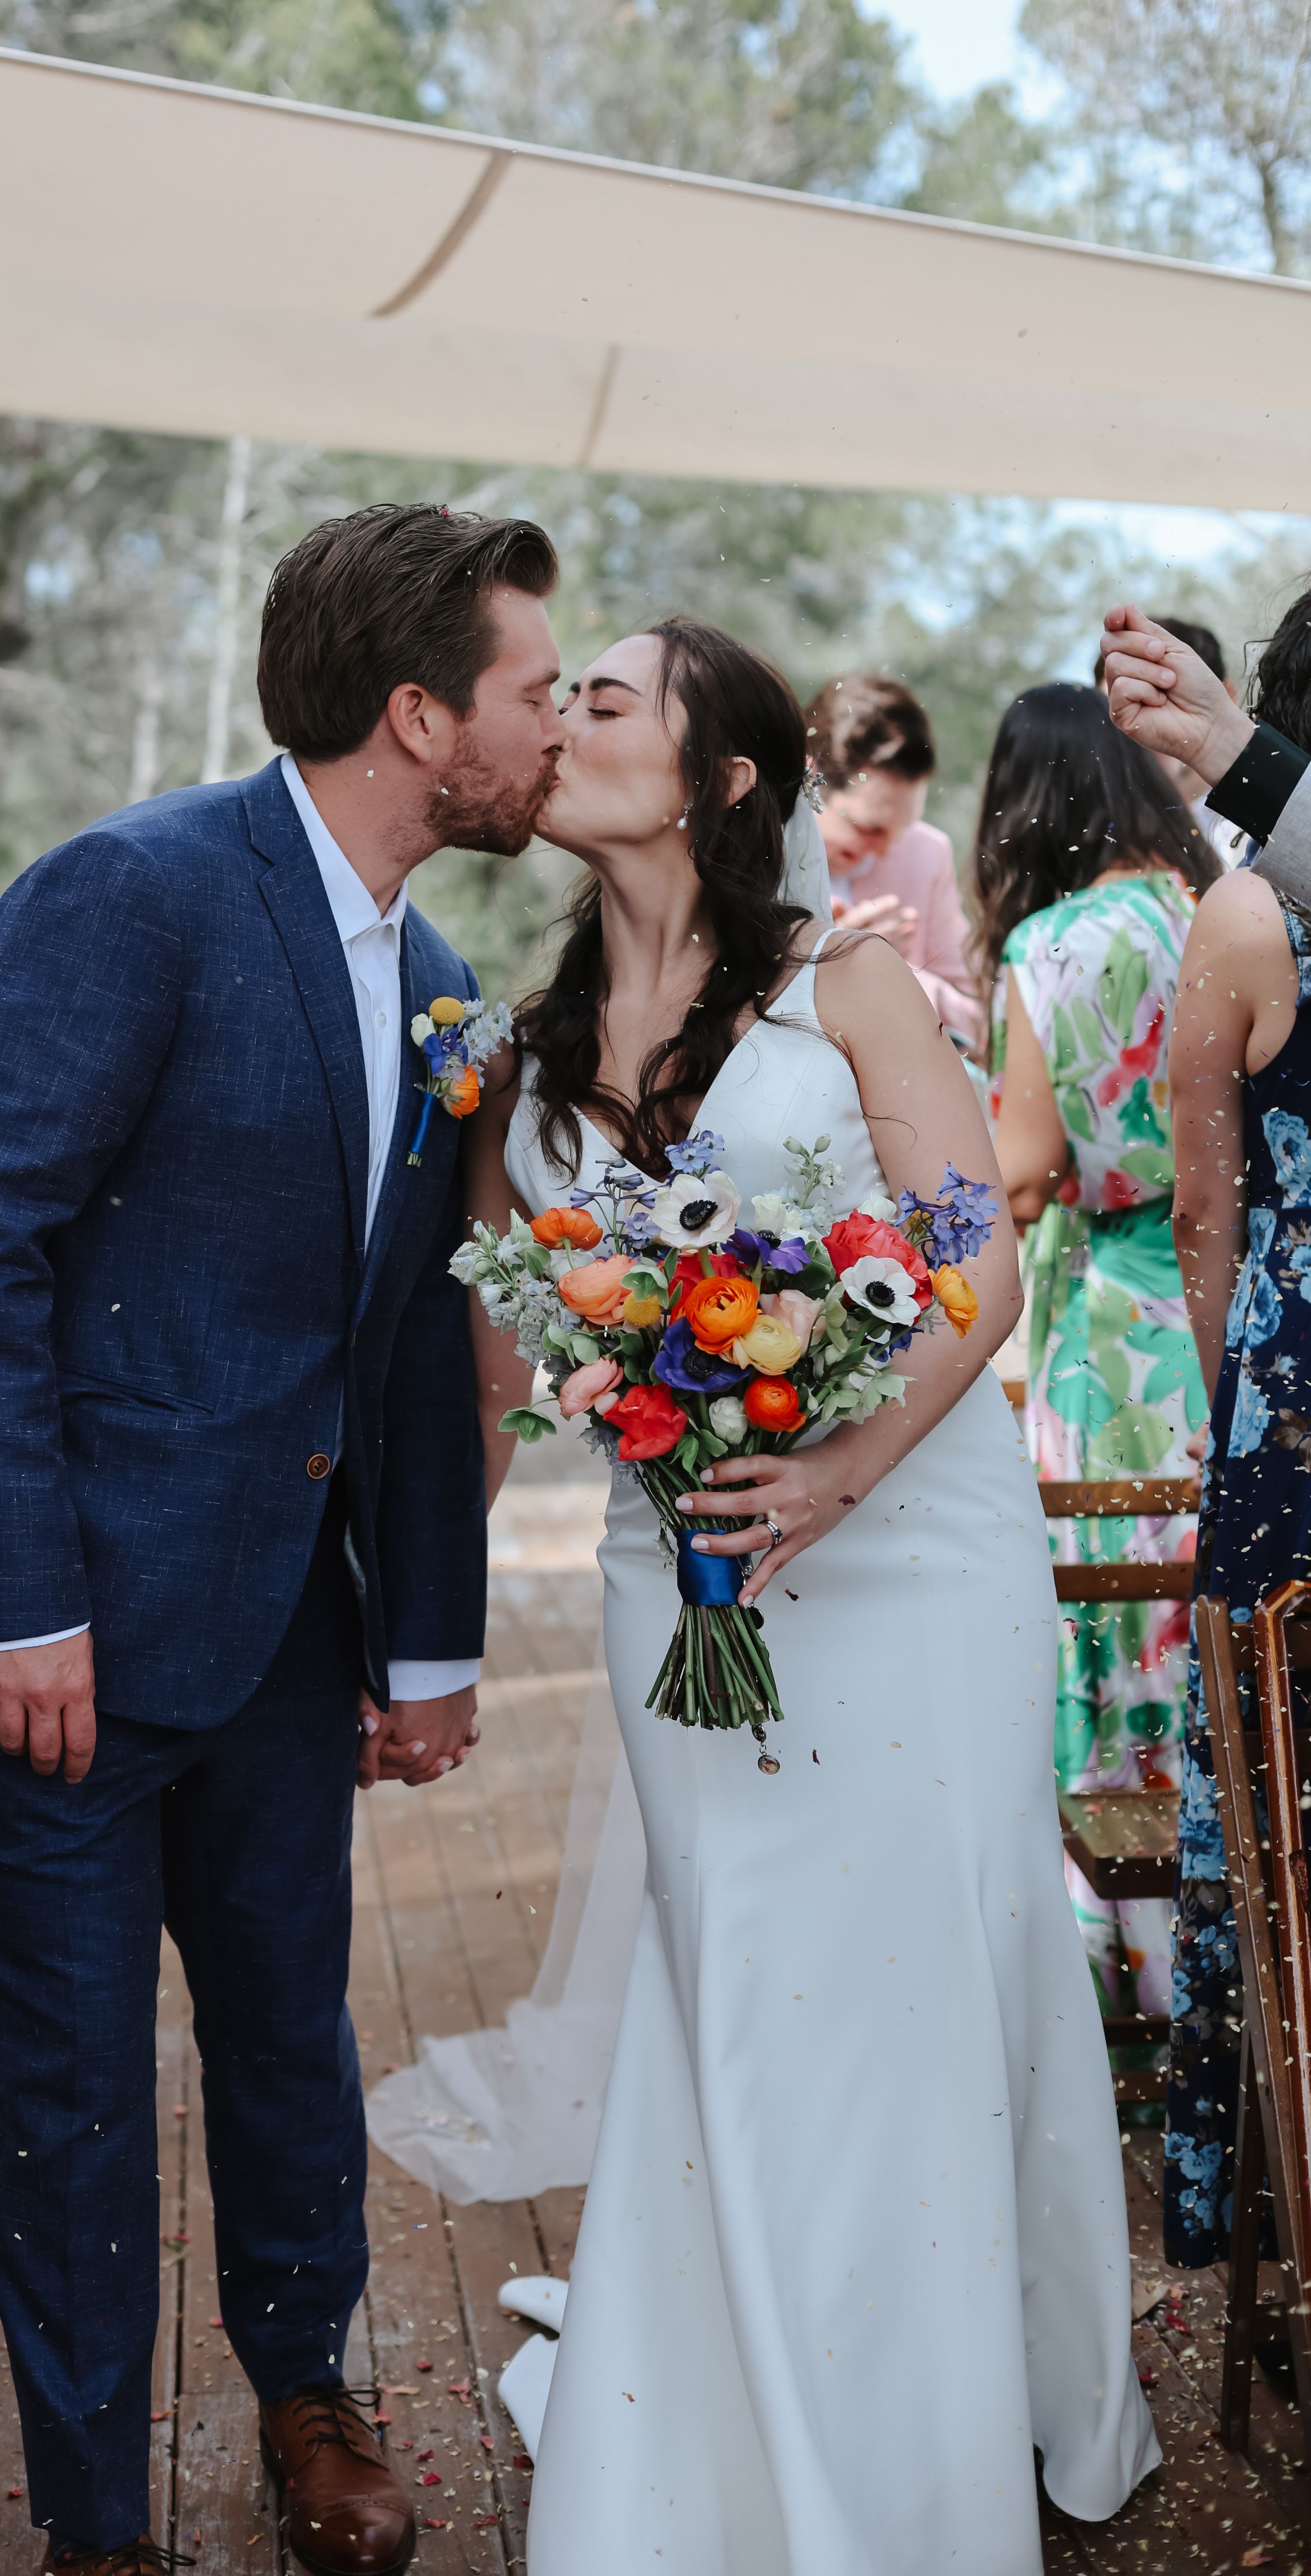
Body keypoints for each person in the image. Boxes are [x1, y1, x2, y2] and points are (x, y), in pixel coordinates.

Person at [0, 504, 562, 2576]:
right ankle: (90, 2522)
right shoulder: (133, 889)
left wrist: (422, 1650)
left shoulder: (435, 987)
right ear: (419, 715)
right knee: (69, 2078)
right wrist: (23, 1601)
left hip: (274, 1625)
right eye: (526, 688)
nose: (547, 723)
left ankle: (305, 2390)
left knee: (284, 2026)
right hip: (40, 1619)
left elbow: (417, 1343)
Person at [464, 616, 1155, 2570]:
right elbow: (506, 1360)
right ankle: (753, 2412)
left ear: (719, 778)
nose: (570, 717)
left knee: (939, 1978)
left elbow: (973, 1266)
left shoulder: (845, 988)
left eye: (608, 696)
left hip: (909, 1556)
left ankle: (961, 2421)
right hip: (670, 1567)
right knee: (750, 1994)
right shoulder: (514, 1055)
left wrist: (842, 1466)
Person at [1100, 591, 1311, 2265]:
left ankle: (1256, 2176)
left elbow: (1199, 1214)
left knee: (1272, 1774)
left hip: (1290, 1408)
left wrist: (1242, 1375)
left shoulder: (1239, 916)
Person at [975, 683, 1219, 2024]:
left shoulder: (1050, 948)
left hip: (1110, 1334)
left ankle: (1134, 1983)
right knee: (1211, 1644)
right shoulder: (1228, 913)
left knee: (1109, 1635)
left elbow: (1016, 1172)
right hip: (1223, 1323)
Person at [803, 671, 984, 1049]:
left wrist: (887, 972)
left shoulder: (926, 854)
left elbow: (981, 1018)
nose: (885, 851)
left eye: (902, 830)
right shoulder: (748, 849)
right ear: (810, 776)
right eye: (869, 828)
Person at [1095, 613, 1243, 859]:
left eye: (1150, 701)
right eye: (1114, 714)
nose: (1134, 729)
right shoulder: (1101, 841)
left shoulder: (1264, 823)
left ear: (1226, 696)